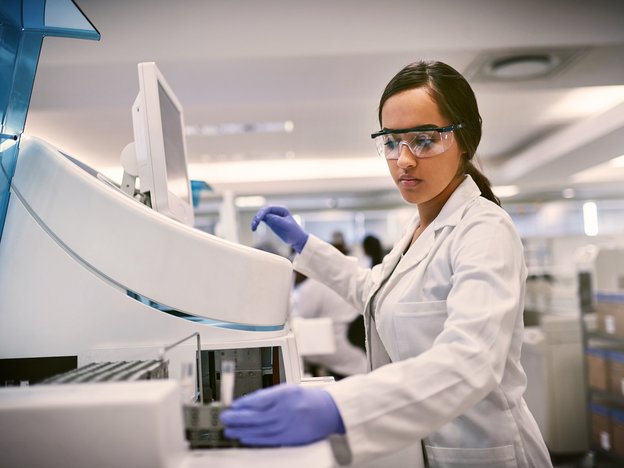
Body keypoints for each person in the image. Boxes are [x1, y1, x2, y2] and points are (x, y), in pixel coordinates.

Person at [221, 60, 551, 467]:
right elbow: (370, 290)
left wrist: (339, 408)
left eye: (424, 140)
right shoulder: (418, 231)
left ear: (465, 141)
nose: (404, 160)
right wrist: (305, 245)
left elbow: (471, 361)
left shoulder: (484, 230)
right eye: (392, 142)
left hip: (481, 451)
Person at [292, 271, 367, 380]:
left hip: (336, 345)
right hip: (351, 345)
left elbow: (297, 319)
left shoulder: (310, 288)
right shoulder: (325, 281)